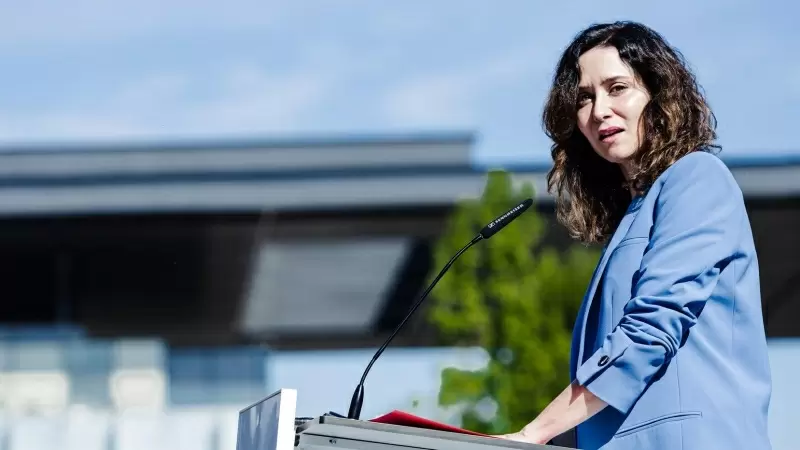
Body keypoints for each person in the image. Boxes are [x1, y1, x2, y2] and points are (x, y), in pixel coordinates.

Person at [496, 21, 772, 449]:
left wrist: (534, 433)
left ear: (658, 95)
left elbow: (649, 332)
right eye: (585, 97)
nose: (599, 109)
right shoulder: (634, 215)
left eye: (617, 87)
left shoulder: (697, 178)